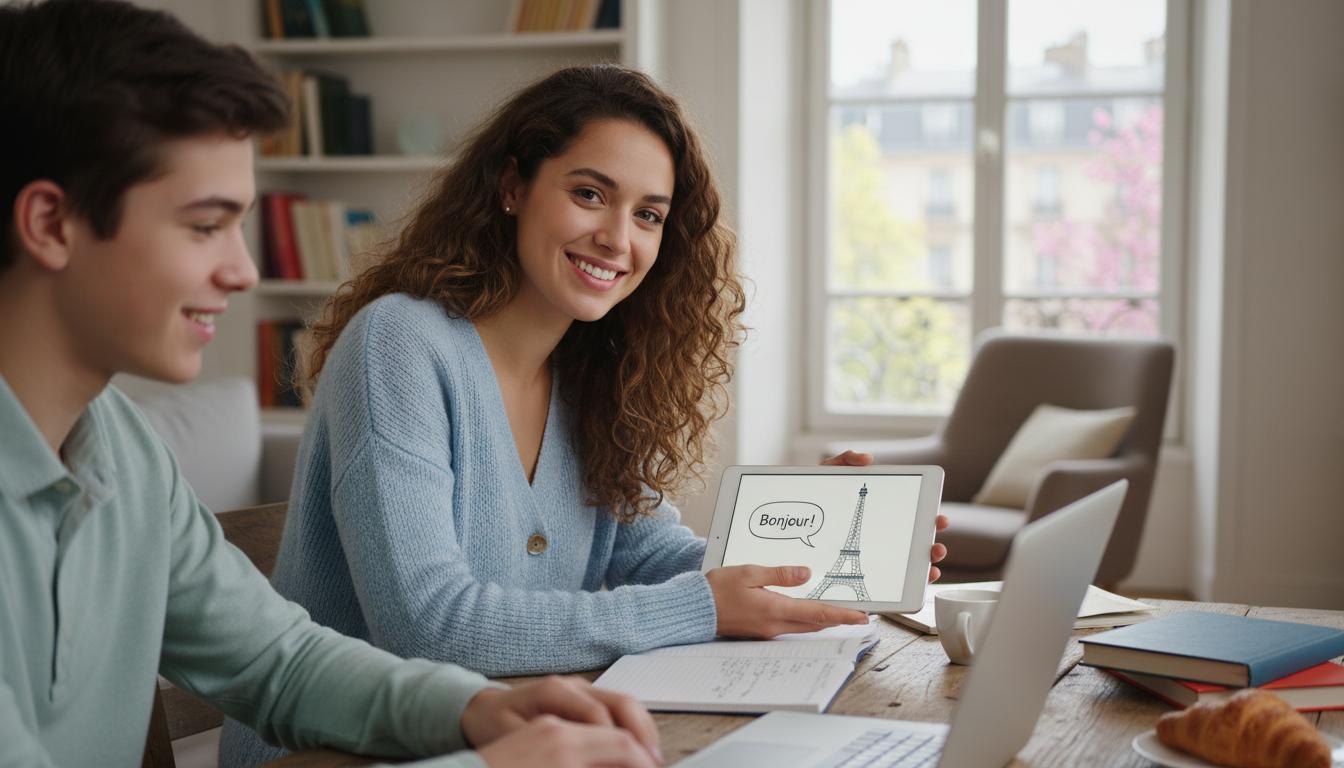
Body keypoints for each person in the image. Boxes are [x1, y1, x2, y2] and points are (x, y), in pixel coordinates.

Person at [218, 63, 949, 766]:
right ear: (512, 185)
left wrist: (815, 543)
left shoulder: (592, 376)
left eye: (649, 215)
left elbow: (653, 554)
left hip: (516, 740)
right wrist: (699, 609)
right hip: (336, 754)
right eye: (591, 194)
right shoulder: (400, 344)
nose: (618, 238)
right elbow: (429, 627)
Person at [0, 2, 662, 766]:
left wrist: (481, 709)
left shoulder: (120, 449)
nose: (243, 271)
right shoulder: (404, 341)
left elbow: (282, 664)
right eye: (204, 225)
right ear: (50, 223)